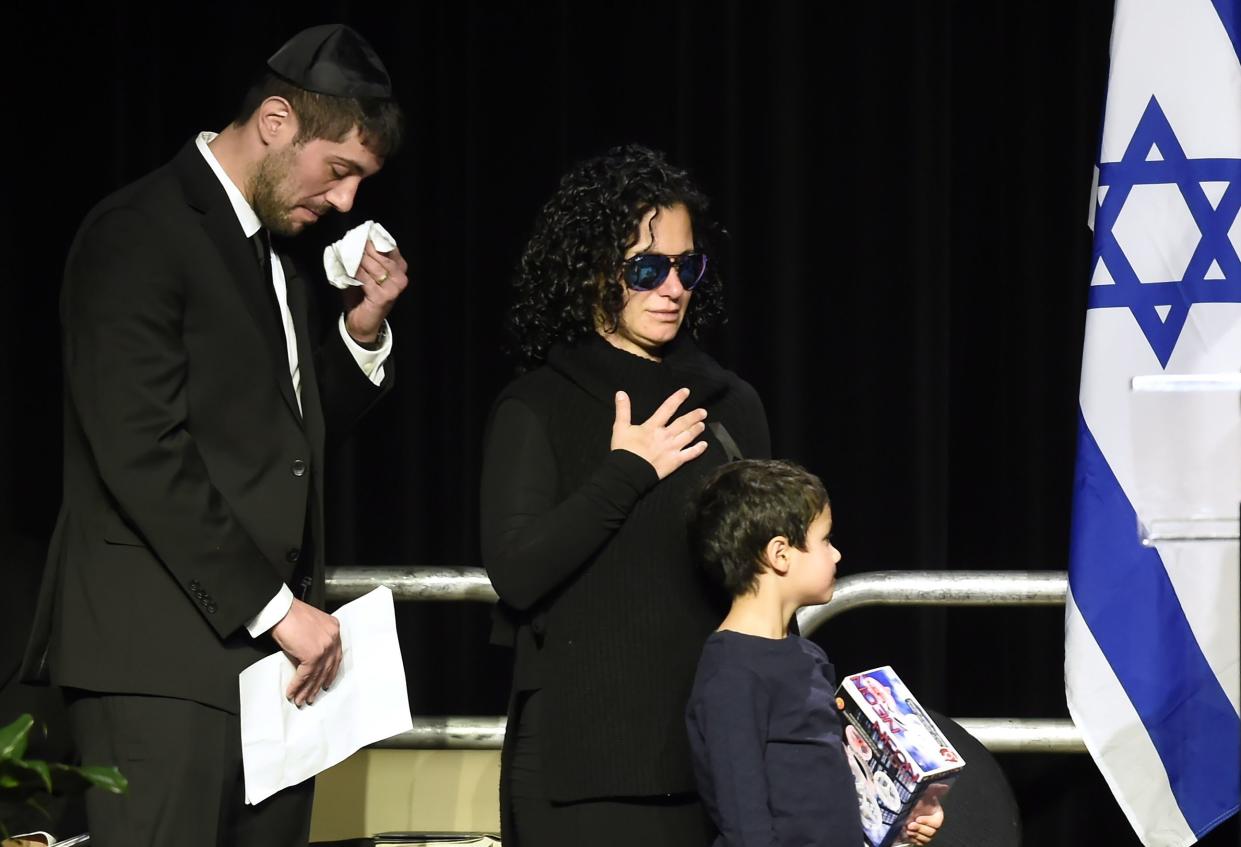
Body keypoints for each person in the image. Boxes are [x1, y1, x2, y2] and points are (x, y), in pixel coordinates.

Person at [20, 23, 408, 847]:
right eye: (337, 171)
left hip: (270, 674)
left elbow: (285, 442)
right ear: (275, 121)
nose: (344, 203)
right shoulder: (139, 230)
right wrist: (278, 610)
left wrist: (361, 331)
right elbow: (141, 451)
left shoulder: (274, 259)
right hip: (158, 667)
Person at [480, 144, 771, 846]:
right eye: (645, 268)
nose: (671, 287)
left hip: (710, 765)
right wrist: (627, 470)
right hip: (583, 779)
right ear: (590, 273)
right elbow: (517, 571)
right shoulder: (539, 405)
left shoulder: (730, 404)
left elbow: (762, 584)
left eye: (686, 265)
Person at [684, 459, 945, 846]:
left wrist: (905, 820)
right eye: (825, 540)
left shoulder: (807, 656)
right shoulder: (733, 675)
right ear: (780, 554)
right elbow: (746, 826)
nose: (837, 554)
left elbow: (840, 791)